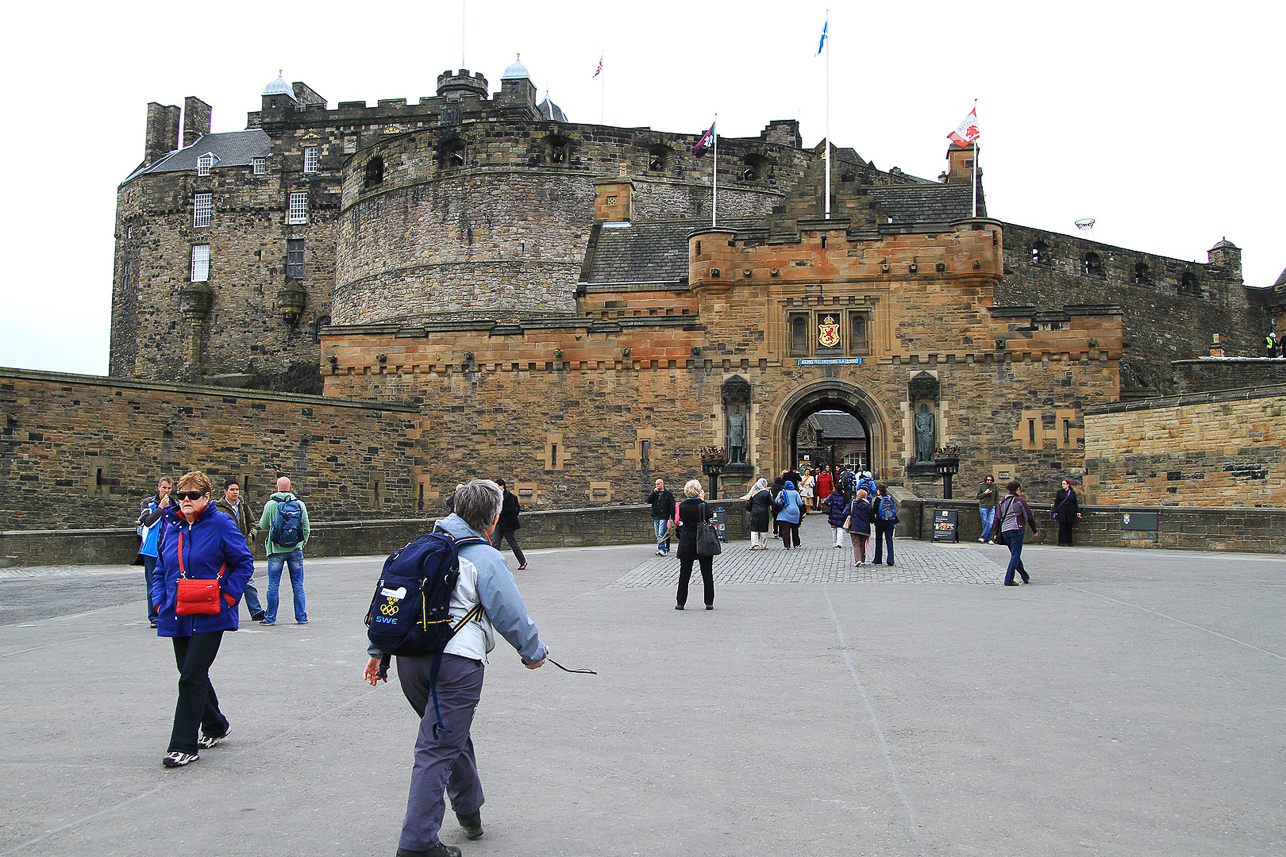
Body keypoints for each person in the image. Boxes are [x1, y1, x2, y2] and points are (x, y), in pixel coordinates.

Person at [364, 479, 547, 857]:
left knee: (447, 736)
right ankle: (417, 844)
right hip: (456, 665)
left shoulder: (419, 547)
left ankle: (469, 812)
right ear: (492, 520)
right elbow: (510, 614)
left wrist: (378, 650)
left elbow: (392, 600)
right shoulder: (484, 557)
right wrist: (532, 651)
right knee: (435, 747)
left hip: (410, 662)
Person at [150, 470, 254, 768]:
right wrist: (158, 601)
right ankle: (215, 724)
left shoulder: (220, 523)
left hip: (210, 612)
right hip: (177, 610)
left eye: (192, 495)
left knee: (191, 676)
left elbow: (243, 562)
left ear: (206, 497)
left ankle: (183, 745)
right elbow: (161, 566)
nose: (185, 500)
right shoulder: (171, 525)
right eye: (181, 495)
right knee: (190, 672)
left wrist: (229, 599)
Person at [258, 476, 311, 625]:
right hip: (295, 550)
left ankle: (270, 618)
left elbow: (262, 526)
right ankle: (301, 617)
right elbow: (306, 527)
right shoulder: (300, 505)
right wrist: (301, 544)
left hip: (275, 550)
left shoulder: (270, 504)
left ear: (276, 488)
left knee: (273, 585)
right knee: (298, 585)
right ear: (290, 487)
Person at [215, 479, 265, 622]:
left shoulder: (243, 507)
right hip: (225, 550)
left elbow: (252, 524)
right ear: (225, 491)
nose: (235, 492)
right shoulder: (219, 508)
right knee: (225, 582)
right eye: (232, 489)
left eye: (237, 489)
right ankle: (225, 612)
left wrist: (252, 535)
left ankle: (255, 611)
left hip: (242, 549)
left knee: (248, 581)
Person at [135, 477, 172, 628]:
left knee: (169, 582)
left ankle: (166, 613)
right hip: (151, 550)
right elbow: (148, 522)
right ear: (158, 487)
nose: (167, 491)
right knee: (152, 583)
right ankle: (153, 616)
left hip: (168, 549)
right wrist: (161, 508)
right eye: (164, 488)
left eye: (169, 488)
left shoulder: (175, 504)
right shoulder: (148, 503)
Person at [674, 479, 715, 609]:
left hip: (687, 541)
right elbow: (709, 515)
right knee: (707, 573)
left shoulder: (683, 506)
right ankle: (709, 602)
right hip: (703, 540)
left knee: (684, 574)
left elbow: (681, 518)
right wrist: (702, 501)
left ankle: (681, 602)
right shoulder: (703, 505)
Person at [996, 480, 1039, 586]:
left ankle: (1024, 576)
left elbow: (997, 518)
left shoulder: (1001, 501)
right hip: (1017, 529)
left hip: (1005, 530)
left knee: (1015, 554)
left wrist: (996, 532)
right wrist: (1034, 530)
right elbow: (1029, 516)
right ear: (1018, 489)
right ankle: (1008, 578)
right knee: (1015, 555)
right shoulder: (1019, 501)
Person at [491, 479, 527, 570]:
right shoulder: (495, 497)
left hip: (508, 524)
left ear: (502, 486)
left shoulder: (510, 496)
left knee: (513, 544)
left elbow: (511, 509)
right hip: (498, 523)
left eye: (497, 486)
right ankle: (493, 563)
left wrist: (499, 513)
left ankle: (523, 561)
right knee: (495, 544)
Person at [845, 488, 875, 567]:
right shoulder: (868, 505)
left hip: (854, 527)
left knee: (856, 544)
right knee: (862, 544)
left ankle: (857, 559)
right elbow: (872, 517)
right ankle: (862, 559)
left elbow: (845, 512)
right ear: (865, 497)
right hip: (864, 528)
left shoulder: (852, 504)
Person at [742, 477, 773, 549]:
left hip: (754, 512)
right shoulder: (766, 492)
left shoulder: (754, 492)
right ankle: (763, 545)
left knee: (754, 528)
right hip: (763, 512)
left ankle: (753, 543)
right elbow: (771, 502)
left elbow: (748, 500)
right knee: (763, 529)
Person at [646, 478, 675, 556]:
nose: (657, 486)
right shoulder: (655, 494)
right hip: (656, 515)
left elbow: (672, 505)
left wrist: (672, 517)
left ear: (662, 484)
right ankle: (661, 548)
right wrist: (653, 493)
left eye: (658, 484)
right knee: (657, 533)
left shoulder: (668, 494)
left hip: (664, 516)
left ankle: (662, 549)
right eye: (656, 484)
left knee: (661, 533)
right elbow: (648, 500)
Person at [871, 483, 898, 566]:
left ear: (878, 490)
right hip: (889, 521)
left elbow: (874, 511)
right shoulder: (890, 498)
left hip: (880, 521)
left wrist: (873, 520)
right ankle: (890, 559)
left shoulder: (878, 499)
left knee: (879, 540)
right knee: (889, 540)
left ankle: (878, 558)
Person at [774, 479, 804, 549]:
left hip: (785, 511)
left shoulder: (782, 492)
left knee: (786, 529)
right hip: (795, 511)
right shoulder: (795, 493)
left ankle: (787, 545)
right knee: (795, 528)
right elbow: (800, 503)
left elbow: (776, 501)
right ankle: (796, 543)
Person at [1053, 478, 1082, 547]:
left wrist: (1078, 511)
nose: (1062, 485)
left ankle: (1069, 542)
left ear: (1068, 485)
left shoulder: (1072, 492)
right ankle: (1061, 541)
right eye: (1062, 484)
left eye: (1064, 484)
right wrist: (1055, 511)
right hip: (1062, 512)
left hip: (1070, 512)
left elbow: (1075, 503)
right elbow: (1057, 502)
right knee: (1062, 527)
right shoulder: (1059, 492)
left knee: (1069, 528)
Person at [976, 474, 999, 543]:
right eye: (988, 480)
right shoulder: (981, 486)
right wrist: (985, 493)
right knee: (985, 523)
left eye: (991, 480)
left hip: (991, 507)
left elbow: (997, 496)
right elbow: (978, 496)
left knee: (990, 523)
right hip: (983, 506)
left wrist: (995, 504)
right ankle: (989, 539)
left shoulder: (994, 486)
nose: (989, 481)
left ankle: (982, 537)